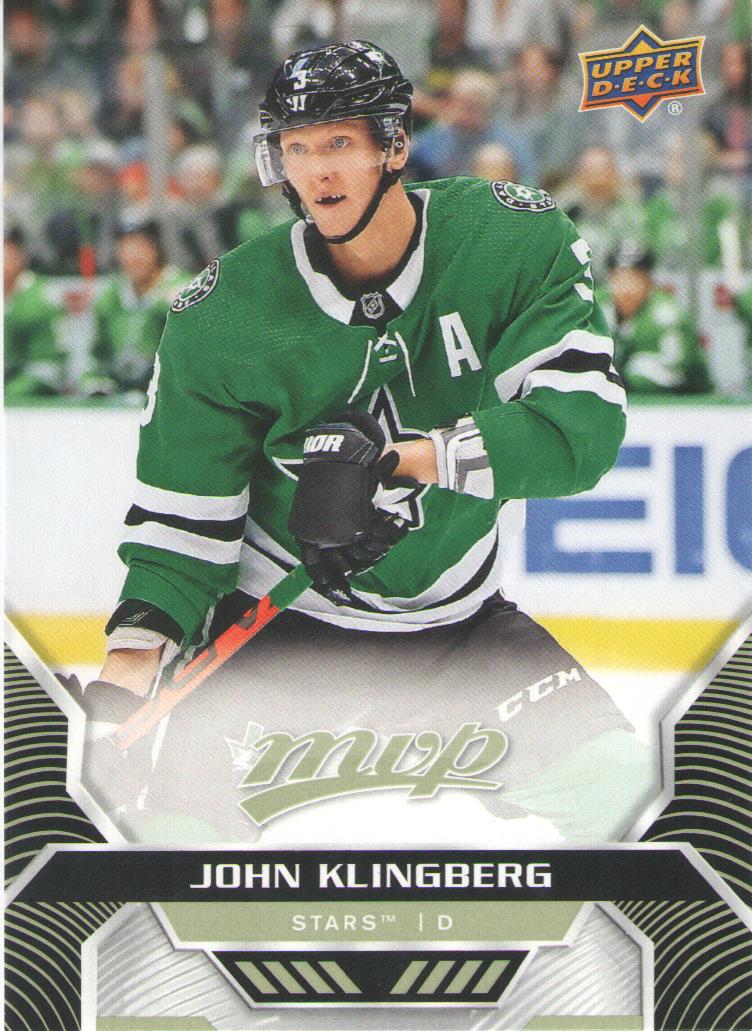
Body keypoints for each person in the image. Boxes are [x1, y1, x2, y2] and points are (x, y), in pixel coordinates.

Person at [70, 41, 652, 844]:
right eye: (297, 148)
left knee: (641, 813)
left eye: (339, 142)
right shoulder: (221, 316)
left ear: (395, 145)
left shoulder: (508, 240)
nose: (318, 171)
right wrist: (125, 682)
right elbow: (181, 531)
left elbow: (579, 431)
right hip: (279, 638)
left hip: (461, 636)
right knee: (175, 856)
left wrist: (406, 461)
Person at [82, 219, 190, 399]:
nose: (133, 256)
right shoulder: (110, 296)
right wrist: (96, 381)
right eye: (125, 248)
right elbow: (97, 356)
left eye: (140, 246)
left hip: (171, 395)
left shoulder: (185, 290)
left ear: (157, 248)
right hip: (122, 394)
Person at [603, 241, 712, 395]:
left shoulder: (667, 317)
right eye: (619, 278)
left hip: (687, 403)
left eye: (635, 279)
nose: (626, 288)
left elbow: (670, 376)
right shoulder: (598, 307)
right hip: (623, 401)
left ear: (649, 281)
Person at [4, 228, 67, 401]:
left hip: (37, 382)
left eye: (7, 254)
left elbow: (50, 366)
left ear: (21, 257)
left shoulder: (41, 297)